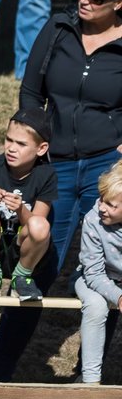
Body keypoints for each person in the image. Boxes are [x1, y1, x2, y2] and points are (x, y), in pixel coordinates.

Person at [0, 0, 122, 381]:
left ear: (118, 3)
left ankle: (87, 375)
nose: (83, 0)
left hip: (103, 169)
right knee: (37, 269)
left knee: (109, 270)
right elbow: (29, 92)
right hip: (53, 168)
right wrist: (33, 143)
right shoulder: (59, 28)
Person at [0, 108, 56, 301]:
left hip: (25, 249)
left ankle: (22, 279)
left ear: (41, 149)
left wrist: (20, 209)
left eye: (21, 144)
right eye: (9, 140)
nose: (11, 148)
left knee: (41, 225)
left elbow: (37, 224)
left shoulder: (46, 175)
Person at [72, 164, 122, 384]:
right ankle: (90, 381)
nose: (102, 207)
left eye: (111, 205)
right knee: (96, 305)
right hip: (91, 279)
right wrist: (118, 296)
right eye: (102, 199)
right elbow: (93, 273)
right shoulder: (94, 220)